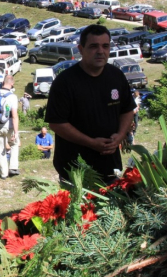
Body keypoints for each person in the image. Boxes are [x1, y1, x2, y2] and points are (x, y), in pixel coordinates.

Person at [45, 24, 136, 184]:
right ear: (81, 49)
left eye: (105, 46)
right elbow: (56, 123)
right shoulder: (65, 82)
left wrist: (121, 135)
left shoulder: (116, 76)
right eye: (94, 46)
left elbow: (127, 110)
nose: (100, 51)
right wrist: (92, 143)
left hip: (110, 165)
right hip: (75, 170)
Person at [0, 75, 20, 179]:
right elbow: (14, 115)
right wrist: (16, 132)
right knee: (14, 144)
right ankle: (13, 167)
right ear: (12, 83)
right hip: (9, 126)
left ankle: (3, 173)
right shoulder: (12, 96)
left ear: (3, 82)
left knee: (0, 150)